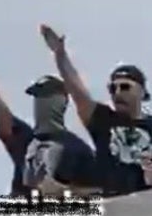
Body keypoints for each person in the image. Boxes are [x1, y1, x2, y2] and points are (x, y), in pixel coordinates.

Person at [0, 23, 98, 197]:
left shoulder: (77, 148)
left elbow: (100, 194)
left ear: (62, 101)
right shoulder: (24, 138)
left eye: (47, 96)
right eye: (38, 97)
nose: (41, 103)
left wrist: (63, 192)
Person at [40, 24, 152, 196]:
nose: (118, 93)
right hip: (113, 203)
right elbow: (77, 91)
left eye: (125, 87)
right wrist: (60, 56)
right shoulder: (104, 119)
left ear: (142, 92)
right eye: (112, 89)